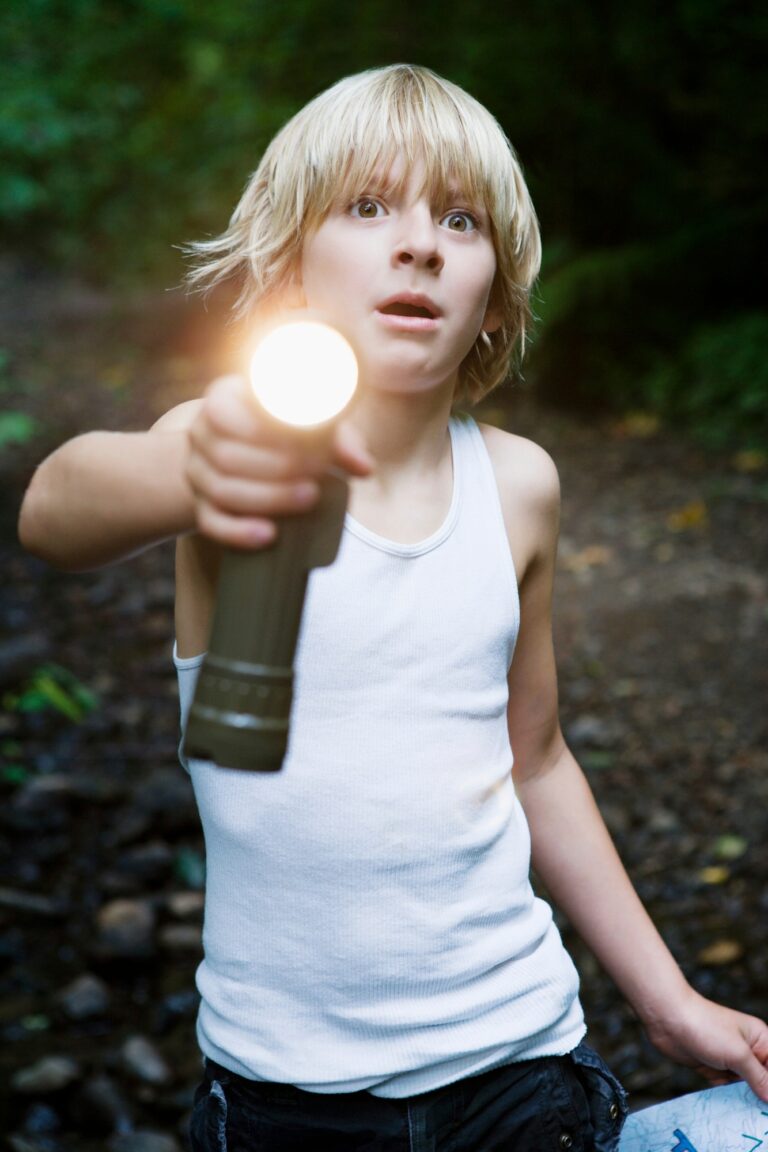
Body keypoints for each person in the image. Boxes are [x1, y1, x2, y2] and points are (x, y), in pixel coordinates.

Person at [18, 64, 768, 1152]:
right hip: (282, 1098)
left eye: (458, 221)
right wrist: (195, 480)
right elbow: (54, 508)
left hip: (519, 1065)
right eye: (369, 209)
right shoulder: (228, 442)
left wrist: (668, 1002)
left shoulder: (519, 486)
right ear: (290, 273)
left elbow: (539, 758)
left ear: (495, 296)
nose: (417, 244)